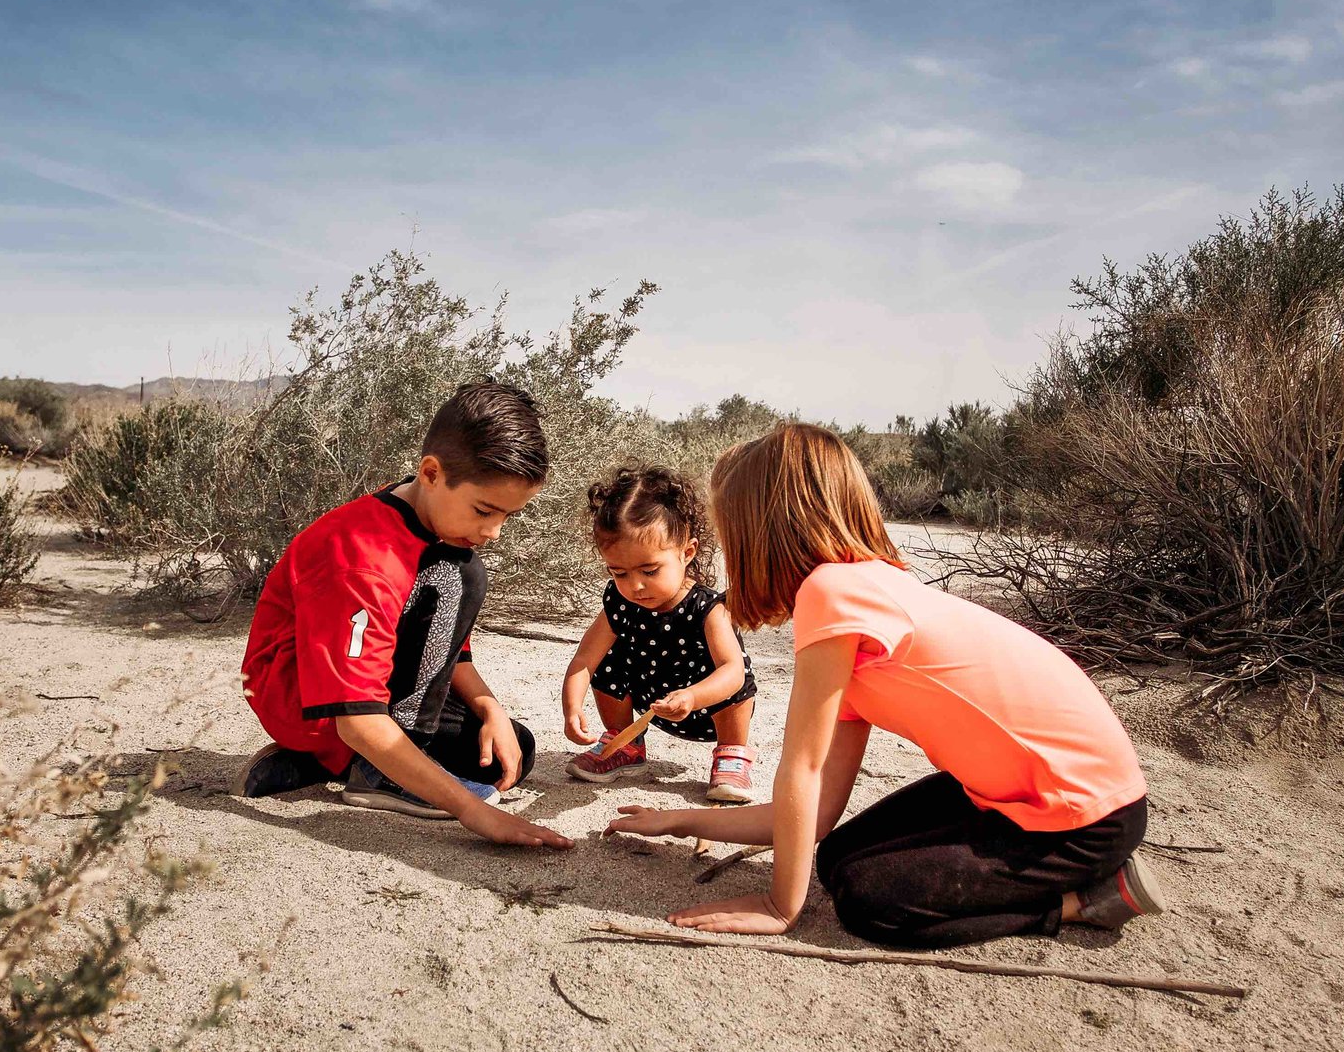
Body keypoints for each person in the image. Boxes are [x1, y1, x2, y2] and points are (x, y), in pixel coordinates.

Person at [606, 423, 1164, 944]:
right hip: (1016, 792)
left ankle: (1084, 901)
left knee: (871, 902)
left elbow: (799, 767)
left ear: (764, 525)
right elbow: (817, 813)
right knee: (835, 858)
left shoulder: (833, 594)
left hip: (1084, 813)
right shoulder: (863, 592)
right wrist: (680, 819)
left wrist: (781, 905)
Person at [237, 381, 570, 849]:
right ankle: (374, 770)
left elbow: (445, 652)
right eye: (484, 510)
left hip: (368, 692)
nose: (494, 531)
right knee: (459, 576)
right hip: (306, 698)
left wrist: (490, 707)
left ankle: (325, 763)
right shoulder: (364, 556)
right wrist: (472, 813)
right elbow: (355, 715)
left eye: (508, 517)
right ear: (431, 473)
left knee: (506, 753)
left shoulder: (430, 523)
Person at [561, 465, 758, 801]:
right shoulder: (620, 603)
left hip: (707, 710)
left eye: (649, 570)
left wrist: (693, 697)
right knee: (609, 655)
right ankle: (625, 742)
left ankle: (731, 755)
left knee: (732, 676)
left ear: (687, 552)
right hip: (650, 705)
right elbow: (585, 659)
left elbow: (733, 673)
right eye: (619, 572)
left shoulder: (708, 608)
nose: (635, 585)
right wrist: (571, 705)